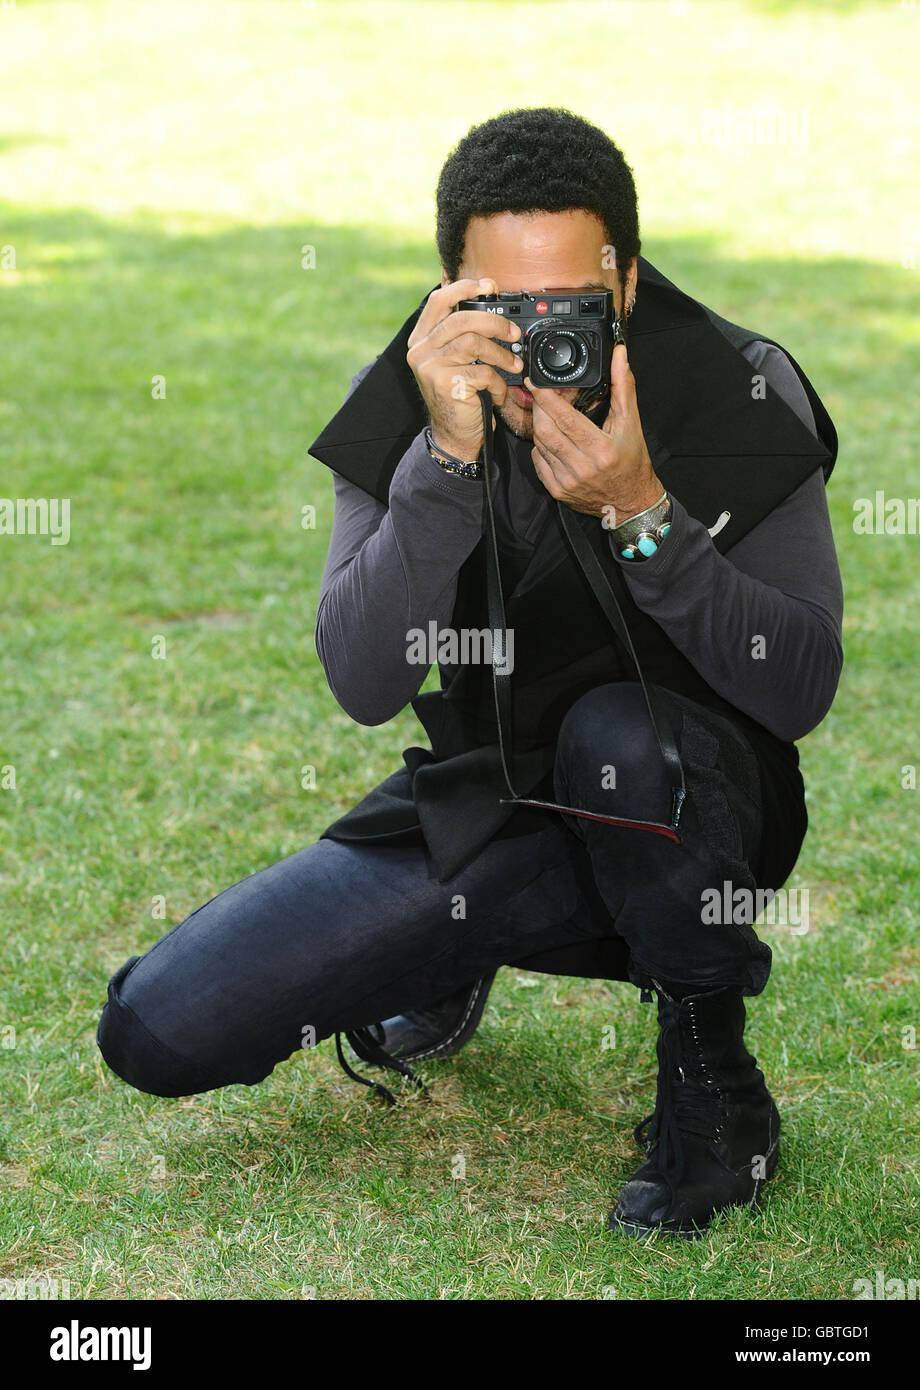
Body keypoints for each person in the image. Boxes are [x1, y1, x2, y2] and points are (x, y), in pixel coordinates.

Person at [96, 107, 843, 1240]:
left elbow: (796, 690)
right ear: (449, 288)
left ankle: (711, 1079)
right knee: (156, 1028)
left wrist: (641, 511)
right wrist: (443, 462)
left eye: (572, 306)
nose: (538, 333)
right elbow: (360, 677)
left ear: (627, 281)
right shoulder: (414, 394)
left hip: (695, 808)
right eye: (502, 306)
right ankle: (458, 937)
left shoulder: (733, 387)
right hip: (488, 796)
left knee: (620, 738)